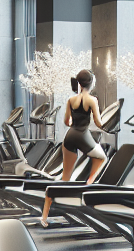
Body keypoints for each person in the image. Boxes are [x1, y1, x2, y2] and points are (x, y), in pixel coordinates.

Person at [39, 69, 107, 224]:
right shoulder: (92, 100)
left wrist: (75, 122)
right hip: (83, 134)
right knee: (102, 157)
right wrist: (106, 124)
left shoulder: (71, 100)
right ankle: (89, 185)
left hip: (70, 135)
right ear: (91, 83)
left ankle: (45, 217)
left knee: (65, 178)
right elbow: (98, 122)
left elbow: (66, 122)